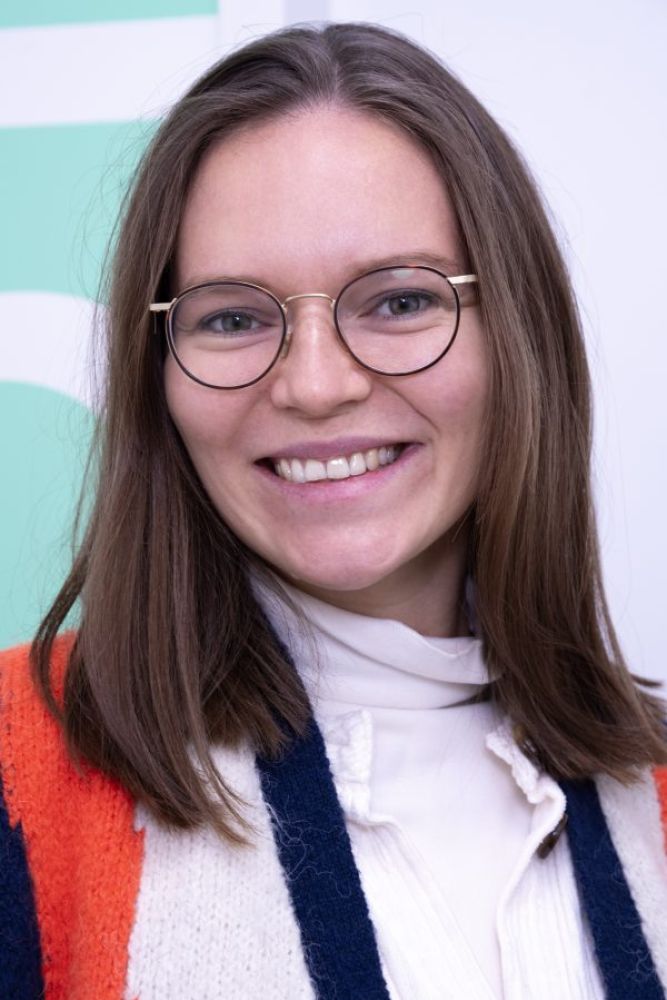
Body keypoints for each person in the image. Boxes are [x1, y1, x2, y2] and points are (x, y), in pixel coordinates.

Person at [1, 21, 666, 1000]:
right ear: (157, 373)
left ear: (516, 334)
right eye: (233, 317)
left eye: (397, 301)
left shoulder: (653, 789)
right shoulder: (17, 764)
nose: (315, 385)